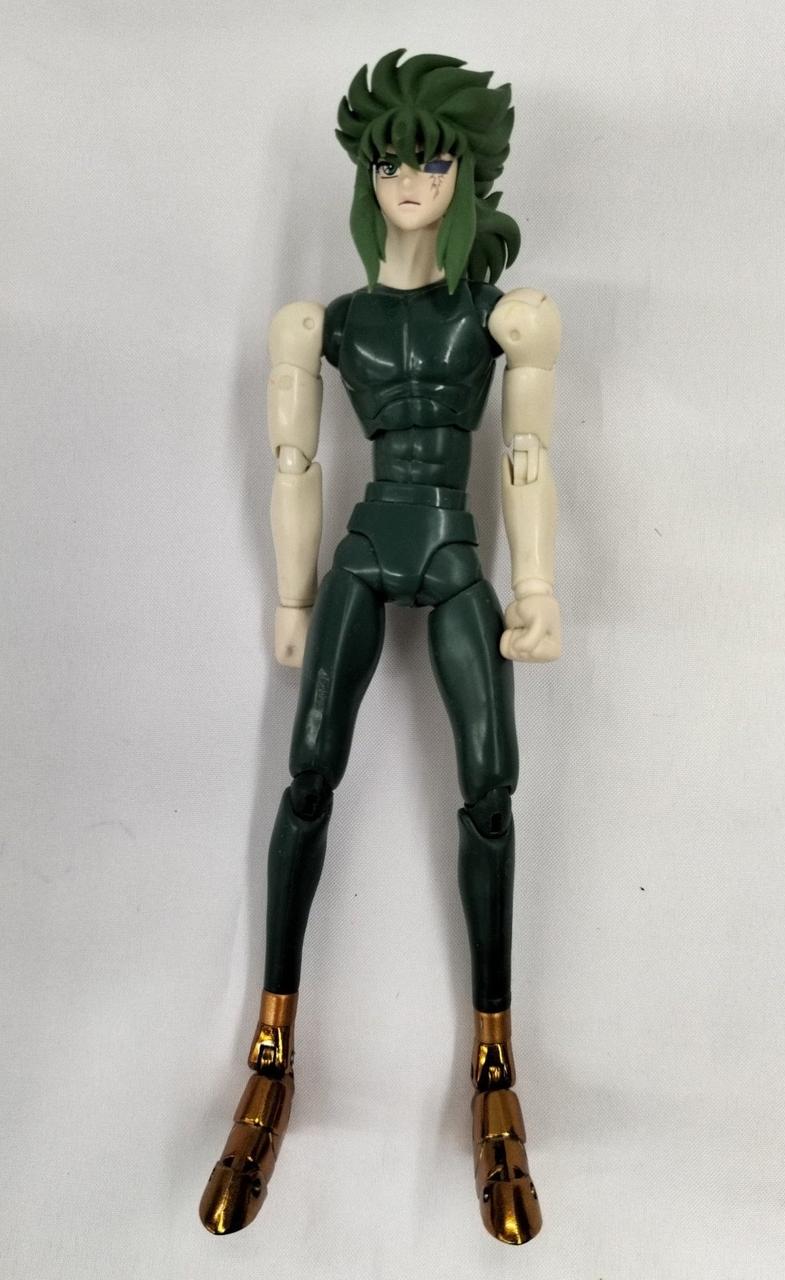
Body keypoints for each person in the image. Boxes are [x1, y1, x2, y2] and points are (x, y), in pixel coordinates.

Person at [200, 49, 561, 1246]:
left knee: (491, 787)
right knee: (308, 776)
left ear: (465, 173)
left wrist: (538, 586)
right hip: (363, 550)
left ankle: (496, 1067)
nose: (411, 178)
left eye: (434, 158)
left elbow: (527, 457)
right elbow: (294, 462)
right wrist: (294, 595)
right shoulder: (323, 323)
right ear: (366, 172)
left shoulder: (503, 317)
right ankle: (271, 1047)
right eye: (392, 158)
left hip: (453, 548)